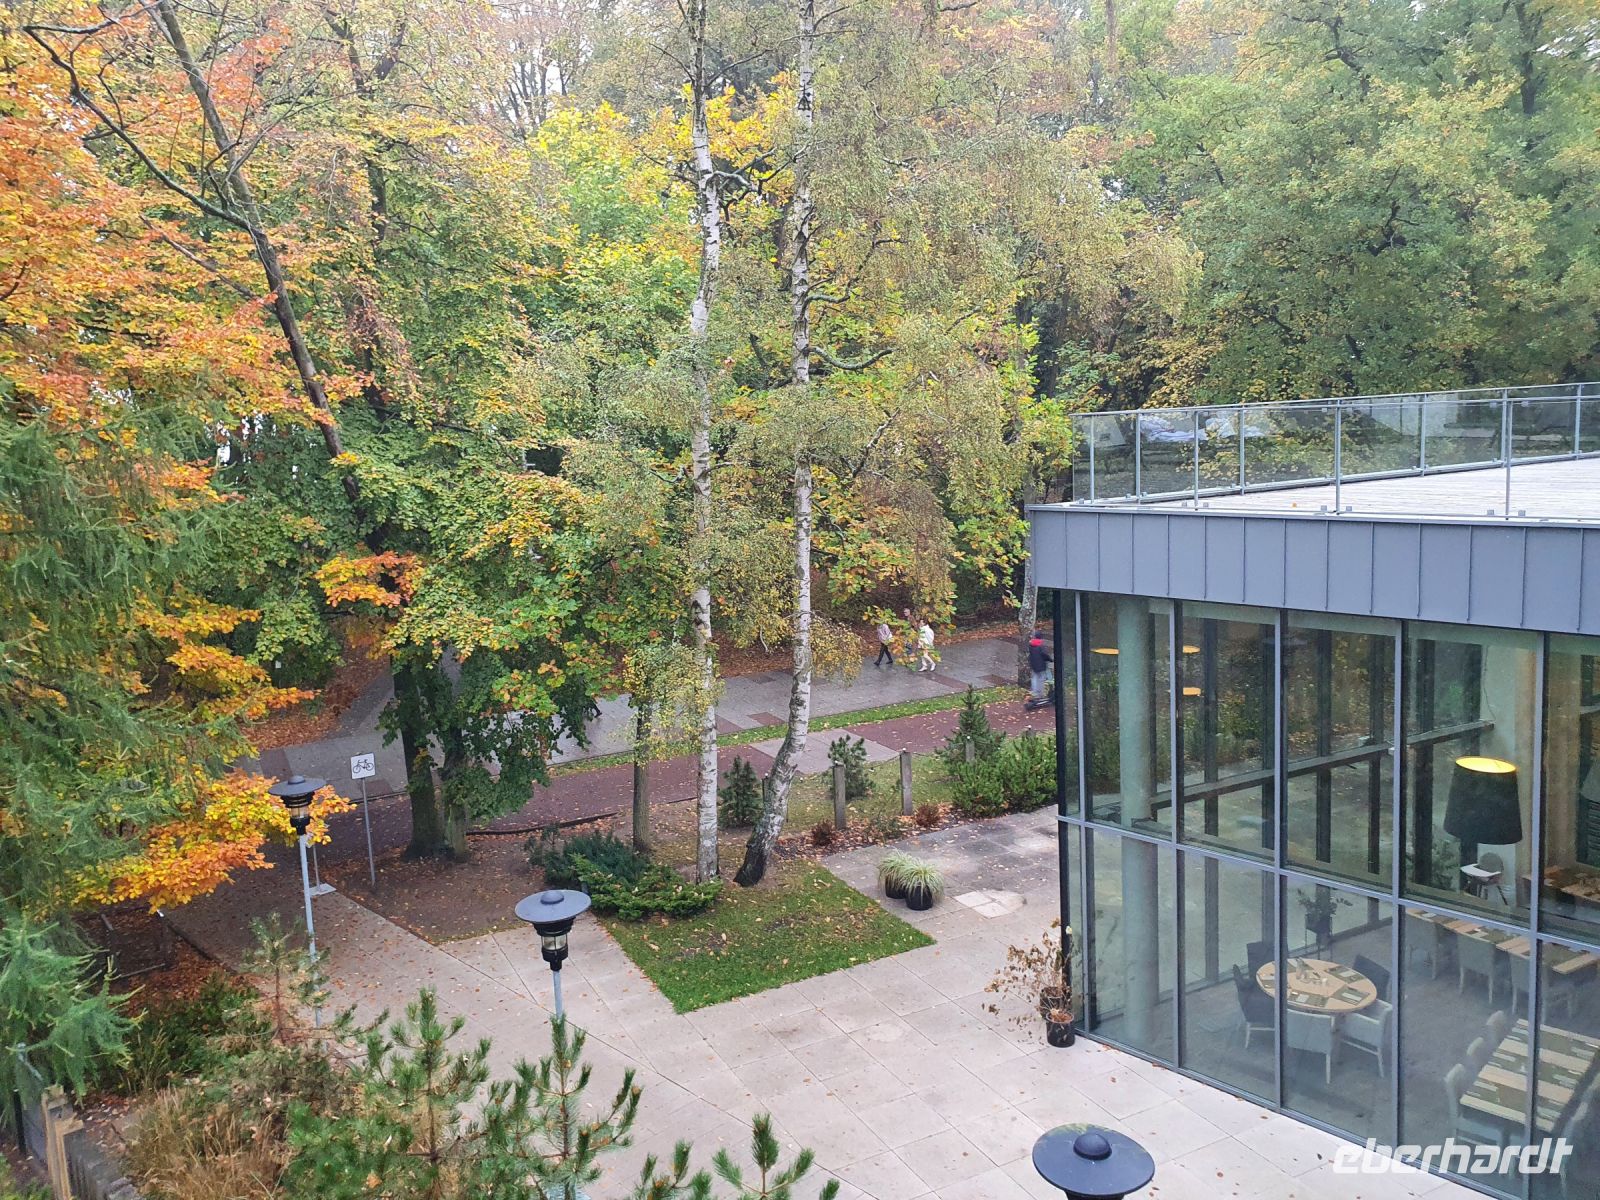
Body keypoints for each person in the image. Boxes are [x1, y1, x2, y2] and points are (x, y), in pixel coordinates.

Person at [1027, 633, 1053, 699]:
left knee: (1034, 678)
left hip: (1033, 664)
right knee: (1041, 679)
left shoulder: (1030, 645)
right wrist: (1050, 659)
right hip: (1041, 665)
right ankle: (1040, 694)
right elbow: (1044, 654)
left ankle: (1034, 693)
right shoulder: (1041, 645)